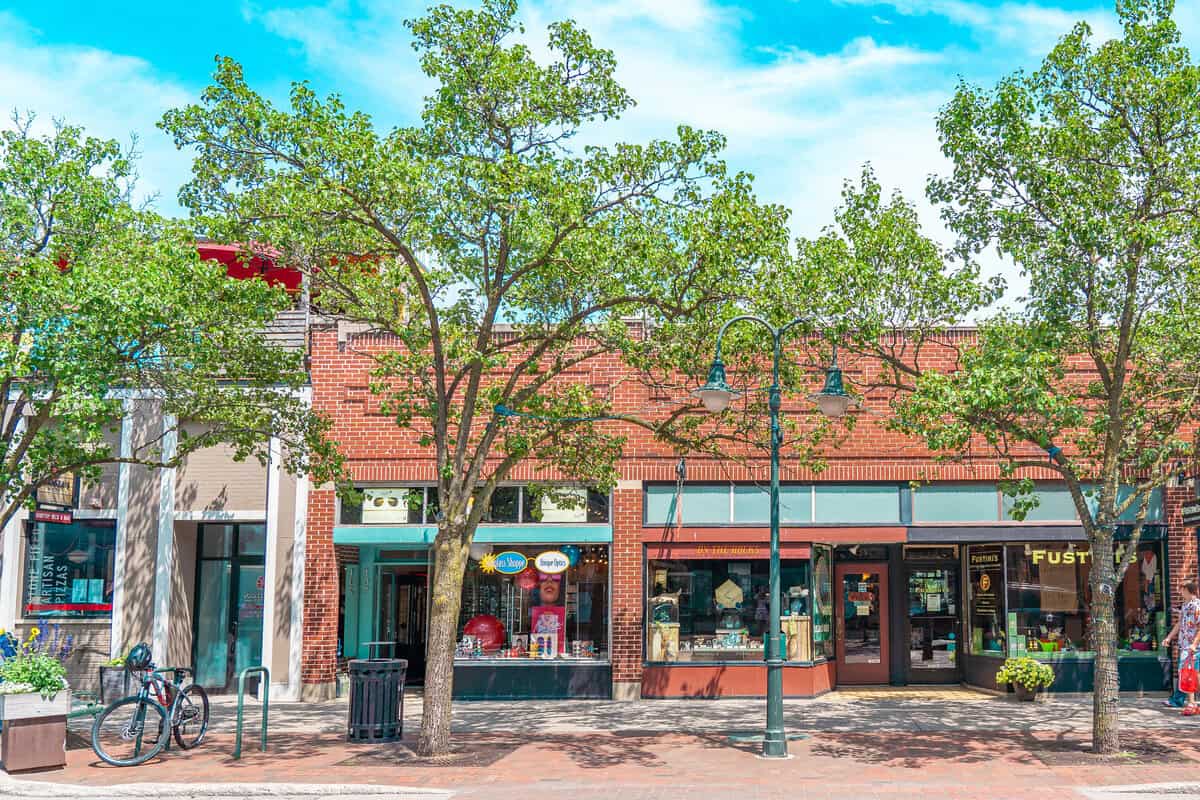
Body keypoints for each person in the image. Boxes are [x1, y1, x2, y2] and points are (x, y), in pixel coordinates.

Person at [1166, 581, 1200, 715]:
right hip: (1185, 645)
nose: (1179, 591)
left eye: (1180, 589)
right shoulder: (1185, 605)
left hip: (1193, 646)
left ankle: (1192, 703)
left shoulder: (1197, 606)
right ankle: (1192, 703)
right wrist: (1169, 637)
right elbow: (1180, 623)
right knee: (1191, 674)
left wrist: (1194, 644)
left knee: (1188, 673)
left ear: (1186, 589)